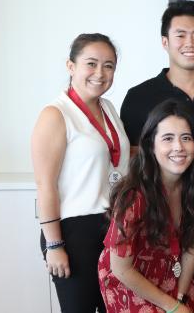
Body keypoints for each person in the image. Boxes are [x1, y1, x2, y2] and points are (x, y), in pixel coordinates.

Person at [32, 33, 130, 312]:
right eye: (91, 63)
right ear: (71, 66)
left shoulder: (108, 107)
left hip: (112, 226)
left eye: (109, 65)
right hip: (74, 232)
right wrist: (54, 244)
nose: (100, 73)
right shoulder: (55, 114)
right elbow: (45, 185)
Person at [98, 100, 194, 313]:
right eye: (168, 139)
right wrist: (173, 307)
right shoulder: (134, 196)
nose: (178, 147)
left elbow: (192, 245)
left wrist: (180, 296)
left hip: (174, 275)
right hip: (130, 279)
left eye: (186, 138)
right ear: (151, 145)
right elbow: (121, 269)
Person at [121, 0, 194, 165]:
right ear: (165, 42)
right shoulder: (138, 97)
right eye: (180, 35)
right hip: (157, 190)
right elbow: (132, 159)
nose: (190, 43)